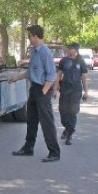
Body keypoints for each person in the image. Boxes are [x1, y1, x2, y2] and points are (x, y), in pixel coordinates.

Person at [8, 25, 60, 162]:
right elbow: (30, 72)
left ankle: (54, 152)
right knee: (31, 120)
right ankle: (28, 148)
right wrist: (16, 78)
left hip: (43, 90)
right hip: (34, 89)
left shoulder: (45, 53)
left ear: (36, 36)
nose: (29, 39)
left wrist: (43, 92)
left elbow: (51, 75)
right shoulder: (34, 52)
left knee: (46, 122)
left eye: (30, 36)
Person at [53, 42, 88, 145]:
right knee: (62, 111)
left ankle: (69, 134)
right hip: (64, 89)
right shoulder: (64, 61)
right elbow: (58, 75)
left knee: (72, 112)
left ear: (75, 50)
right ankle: (67, 128)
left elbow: (84, 77)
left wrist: (86, 91)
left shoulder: (81, 62)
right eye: (67, 48)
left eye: (69, 48)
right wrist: (55, 89)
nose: (67, 50)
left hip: (76, 90)